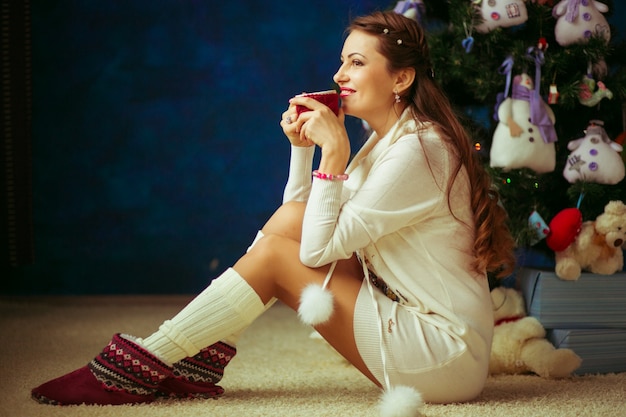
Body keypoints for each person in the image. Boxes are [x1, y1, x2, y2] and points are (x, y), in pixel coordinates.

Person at [31, 9, 515, 416]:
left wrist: (332, 155)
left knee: (275, 260)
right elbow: (293, 221)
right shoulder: (387, 142)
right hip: (408, 315)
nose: (338, 75)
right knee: (281, 239)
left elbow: (313, 248)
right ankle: (188, 356)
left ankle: (143, 363)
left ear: (402, 78)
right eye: (340, 61)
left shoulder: (420, 149)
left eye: (356, 62)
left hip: (444, 354)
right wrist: (302, 151)